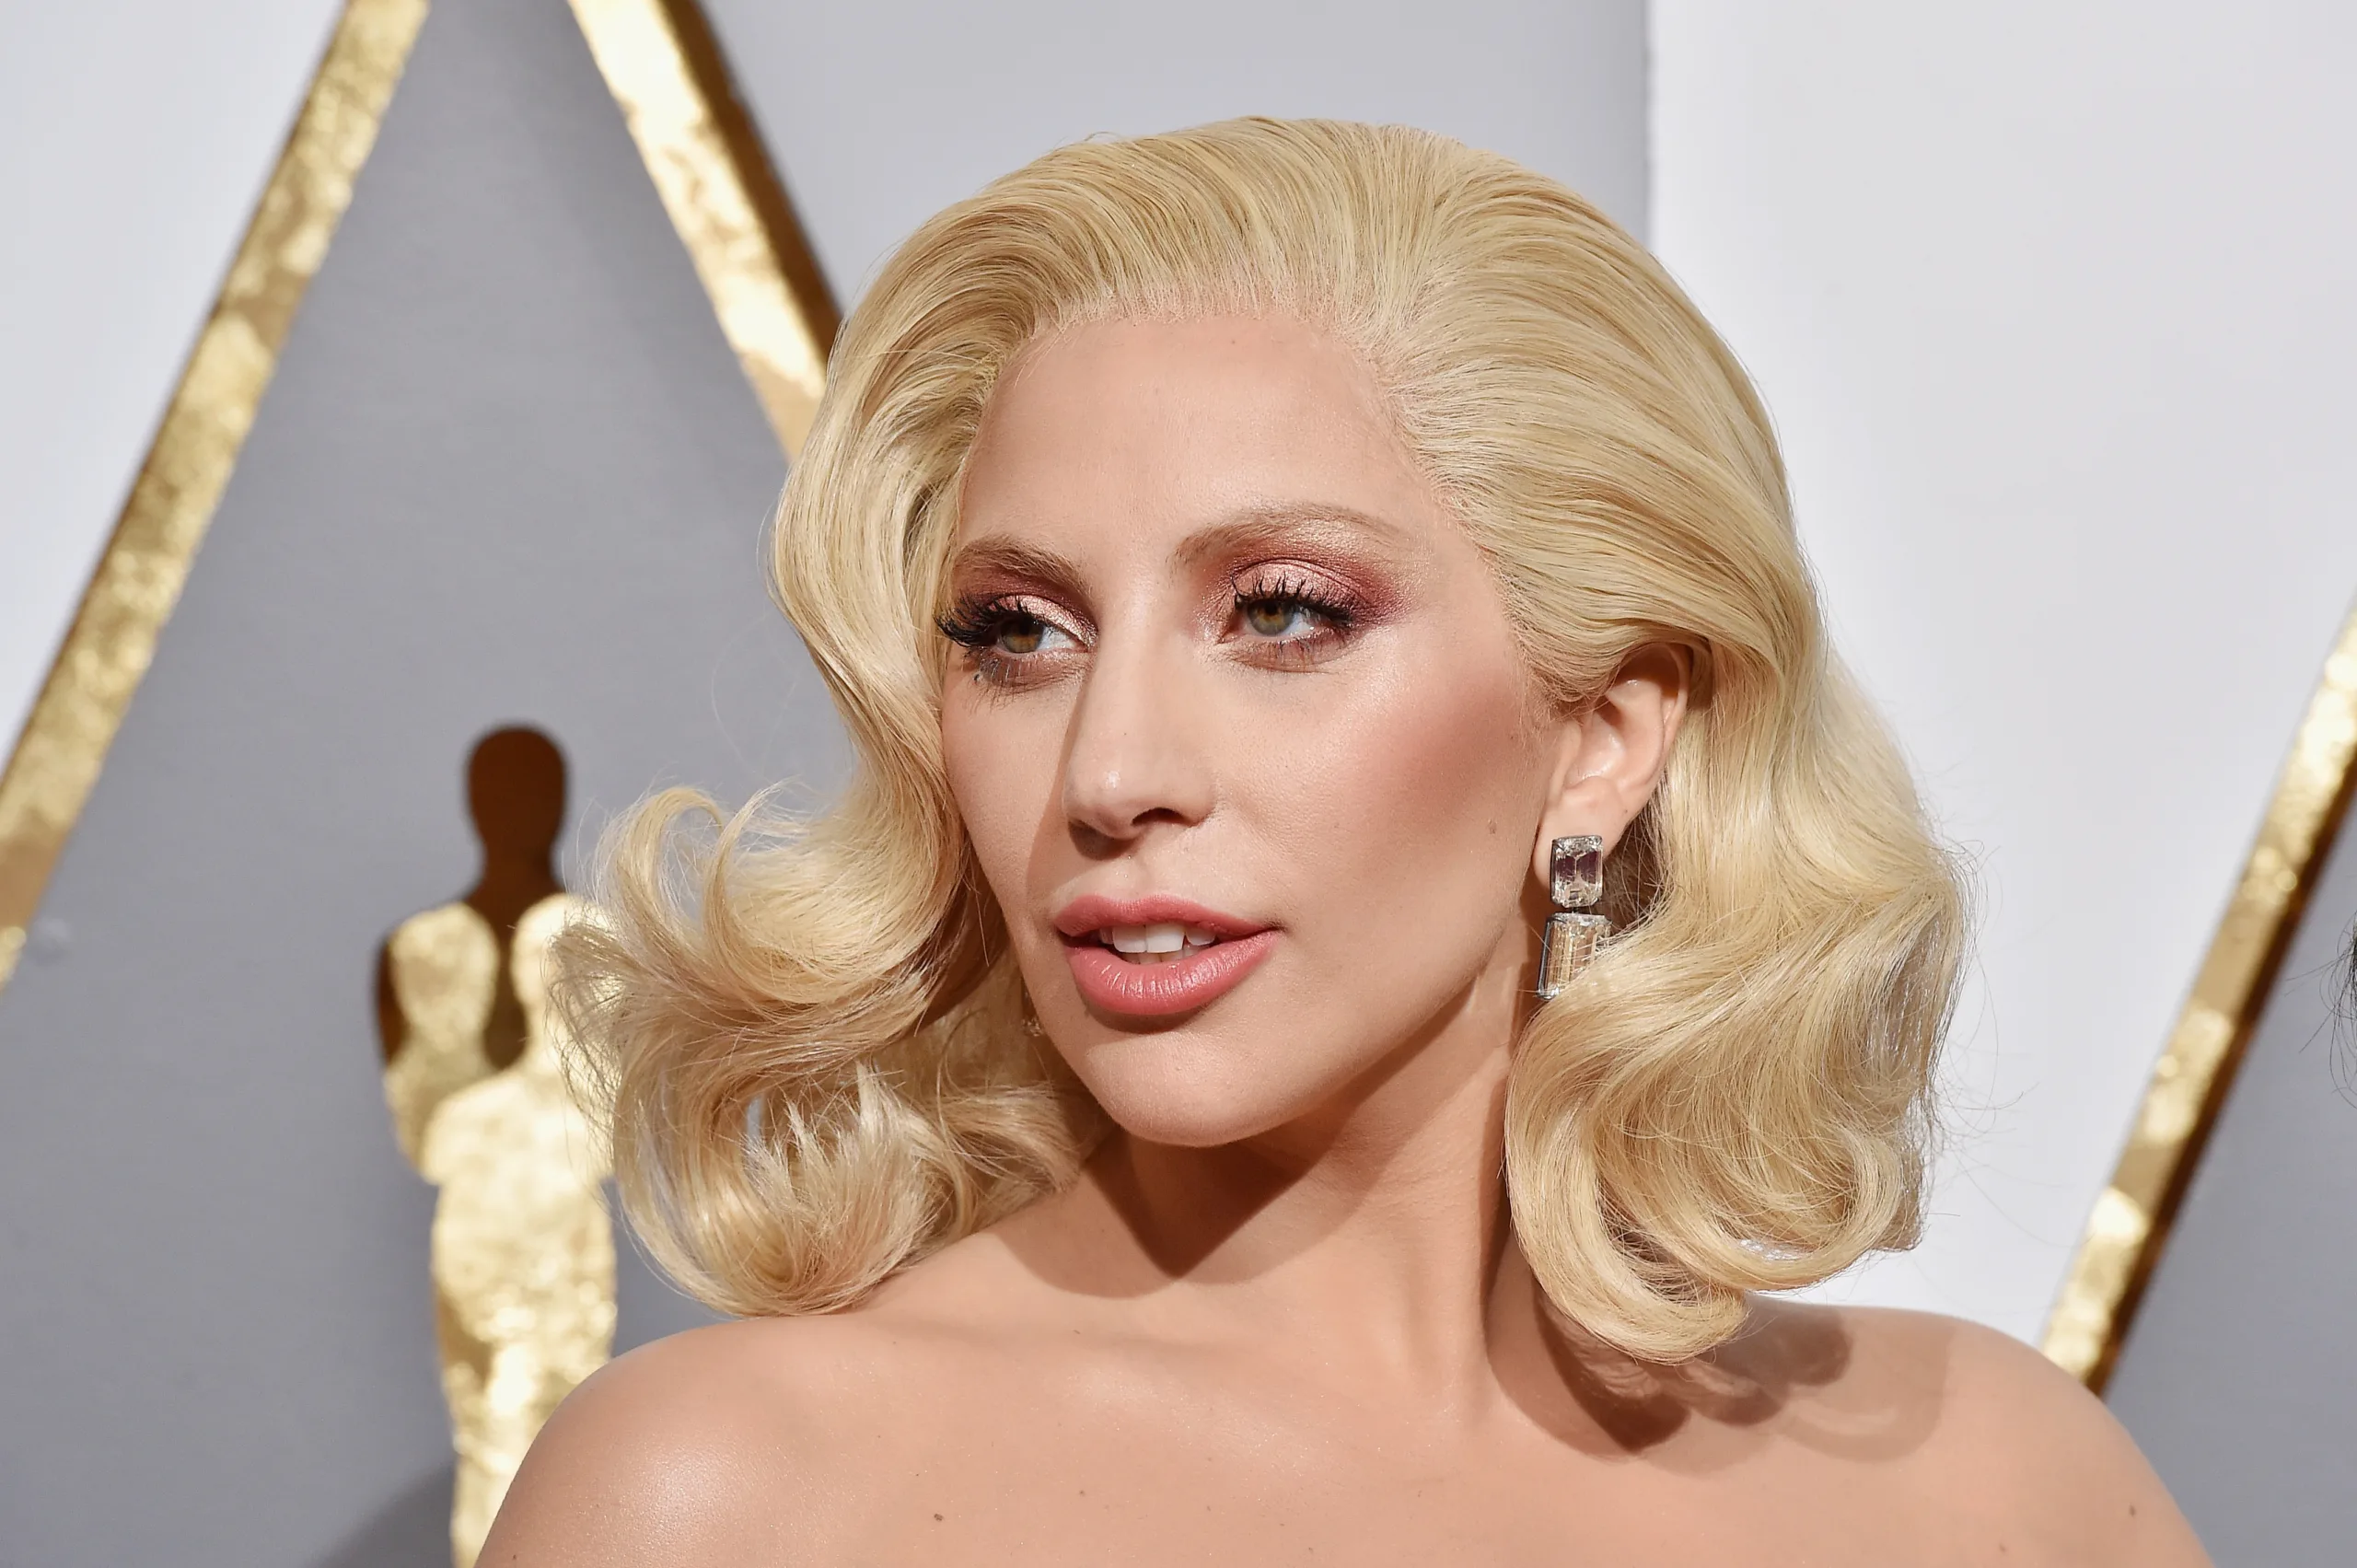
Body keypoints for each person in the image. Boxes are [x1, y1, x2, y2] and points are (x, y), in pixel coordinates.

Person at [486, 119, 2207, 1563]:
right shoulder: (726, 1502)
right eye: (1019, 633)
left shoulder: (1989, 1493)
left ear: (1606, 734)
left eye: (1283, 615)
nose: (1114, 768)